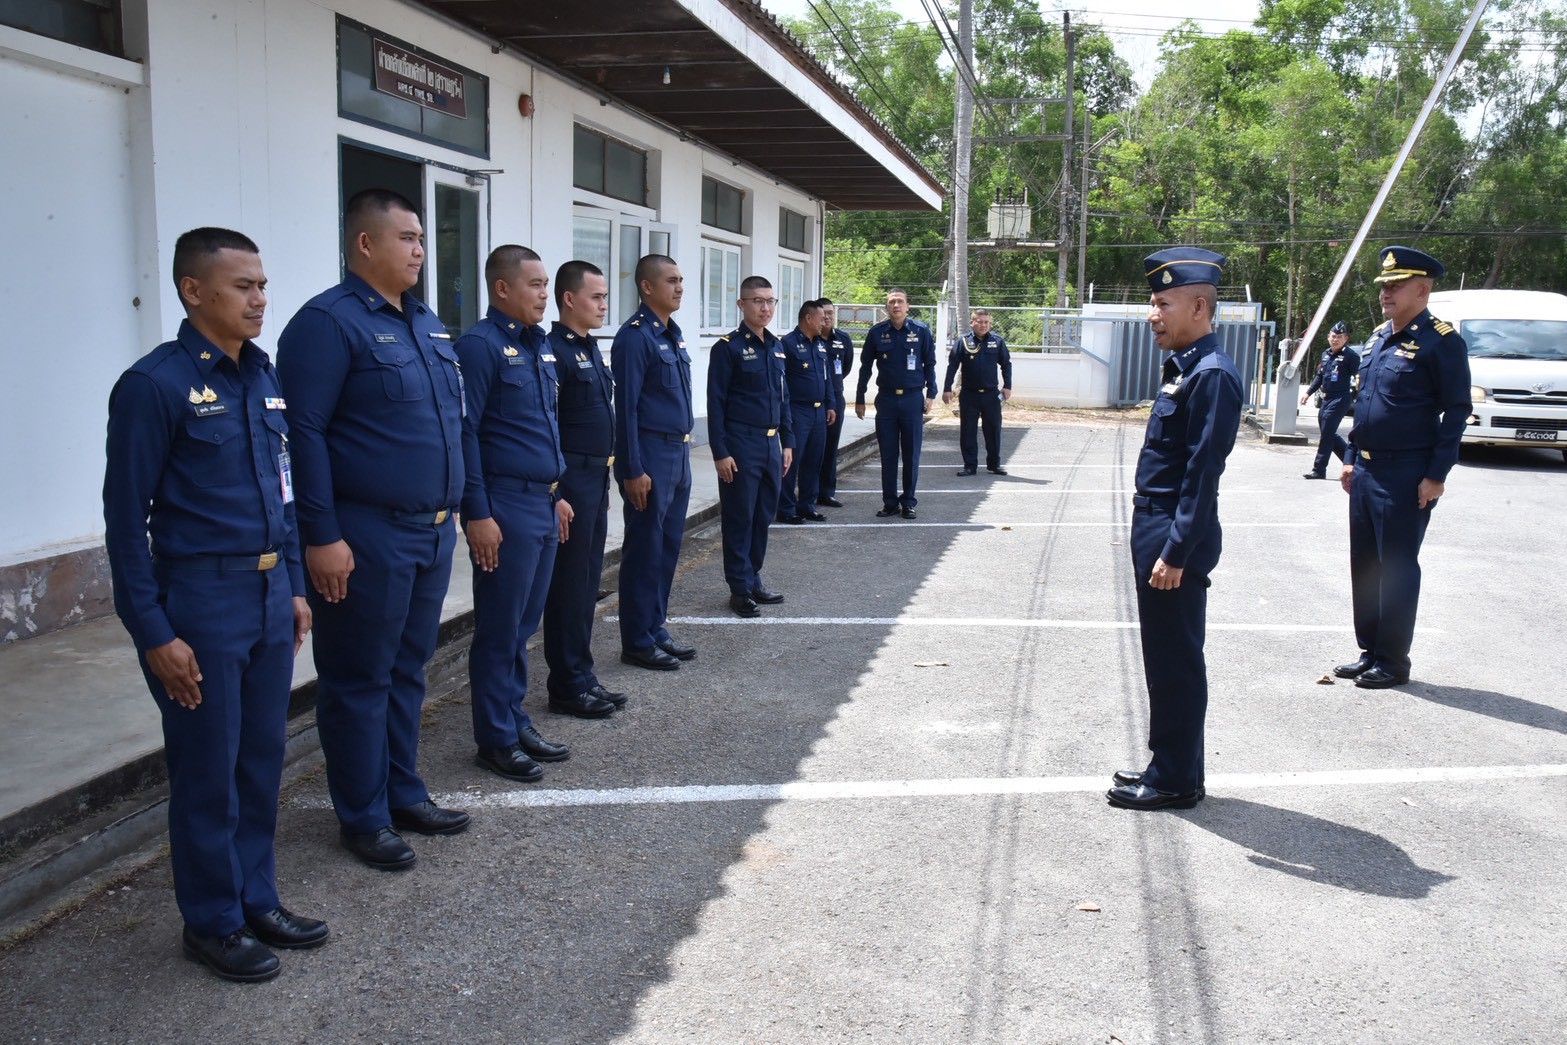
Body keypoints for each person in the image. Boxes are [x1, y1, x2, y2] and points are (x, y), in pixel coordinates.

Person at [104, 227, 326, 983]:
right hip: (200, 600)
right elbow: (124, 524)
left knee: (259, 761)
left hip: (266, 595)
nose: (260, 299)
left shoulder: (263, 377)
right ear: (193, 290)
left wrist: (292, 586)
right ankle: (213, 922)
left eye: (263, 285)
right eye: (243, 286)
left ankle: (256, 899)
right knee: (208, 770)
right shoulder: (154, 386)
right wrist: (153, 631)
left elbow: (283, 494)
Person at [276, 189, 470, 872]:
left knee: (407, 669)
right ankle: (362, 816)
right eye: (407, 238)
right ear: (366, 244)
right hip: (366, 534)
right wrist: (320, 534)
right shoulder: (327, 324)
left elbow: (453, 425)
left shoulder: (427, 323)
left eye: (421, 238)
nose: (420, 250)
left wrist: (464, 507)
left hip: (430, 531)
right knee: (359, 678)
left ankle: (402, 791)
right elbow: (302, 434)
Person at [1107, 247, 1243, 812]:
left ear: (1199, 307)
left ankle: (1175, 781)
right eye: (1153, 303)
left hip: (1172, 532)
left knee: (1176, 660)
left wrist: (1176, 550)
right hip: (1157, 524)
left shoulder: (1211, 376)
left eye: (1163, 304)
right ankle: (1172, 765)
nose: (1152, 314)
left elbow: (1202, 474)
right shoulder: (1185, 369)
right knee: (1165, 657)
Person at [456, 246, 595, 788]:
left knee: (523, 625)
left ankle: (514, 720)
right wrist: (477, 512)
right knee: (500, 626)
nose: (544, 294)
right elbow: (466, 433)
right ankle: (495, 738)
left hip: (540, 500)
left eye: (544, 284)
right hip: (504, 505)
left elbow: (541, 427)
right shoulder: (480, 347)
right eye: (534, 285)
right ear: (502, 289)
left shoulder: (538, 346)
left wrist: (555, 492)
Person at [1335, 246, 1471, 689]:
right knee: (1365, 565)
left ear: (1423, 290)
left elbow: (1457, 411)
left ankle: (1393, 661)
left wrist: (1436, 475)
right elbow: (1365, 404)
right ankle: (1370, 651)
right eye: (1384, 286)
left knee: (1396, 567)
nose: (1386, 293)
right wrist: (1350, 459)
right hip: (1366, 471)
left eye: (1396, 286)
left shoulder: (1442, 342)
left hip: (1406, 474)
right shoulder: (1378, 338)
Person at [543, 261, 628, 716]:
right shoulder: (553, 350)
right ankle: (567, 685)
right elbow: (548, 425)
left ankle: (582, 674)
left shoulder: (591, 348)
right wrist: (555, 491)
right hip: (571, 479)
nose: (603, 305)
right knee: (569, 586)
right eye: (596, 297)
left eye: (605, 296)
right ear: (569, 299)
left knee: (587, 582)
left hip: (596, 478)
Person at [613, 254, 697, 671]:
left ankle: (655, 626)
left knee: (666, 547)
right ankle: (637, 639)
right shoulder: (635, 337)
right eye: (671, 281)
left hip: (678, 453)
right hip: (650, 455)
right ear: (647, 287)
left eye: (681, 280)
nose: (679, 287)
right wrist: (632, 468)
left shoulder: (672, 334)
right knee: (644, 550)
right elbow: (626, 408)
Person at [709, 277, 794, 617]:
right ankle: (739, 588)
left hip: (771, 443)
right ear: (741, 304)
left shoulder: (776, 346)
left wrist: (788, 442)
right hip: (741, 444)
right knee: (739, 516)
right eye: (757, 301)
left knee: (763, 515)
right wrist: (720, 451)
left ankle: (753, 576)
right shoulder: (727, 348)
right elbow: (715, 403)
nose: (765, 307)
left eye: (770, 301)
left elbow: (783, 399)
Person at [854, 289, 937, 519]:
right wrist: (860, 397)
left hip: (912, 399)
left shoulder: (921, 331)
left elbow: (930, 363)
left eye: (900, 301)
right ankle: (890, 503)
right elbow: (865, 367)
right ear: (886, 307)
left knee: (911, 454)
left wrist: (931, 393)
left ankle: (908, 502)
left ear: (908, 306)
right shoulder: (877, 332)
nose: (896, 305)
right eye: (892, 302)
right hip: (887, 400)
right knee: (888, 454)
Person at [778, 299, 834, 523]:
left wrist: (830, 404)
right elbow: (781, 382)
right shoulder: (788, 344)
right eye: (821, 318)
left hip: (819, 412)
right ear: (808, 318)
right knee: (792, 462)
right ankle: (786, 509)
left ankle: (807, 506)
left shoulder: (820, 344)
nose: (825, 321)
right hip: (798, 411)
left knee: (814, 460)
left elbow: (827, 377)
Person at [943, 308, 1013, 476]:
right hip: (969, 395)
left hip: (991, 395)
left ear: (990, 324)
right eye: (979, 322)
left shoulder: (997, 341)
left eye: (986, 322)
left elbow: (1006, 364)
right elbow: (952, 366)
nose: (983, 325)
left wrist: (1007, 386)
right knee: (968, 431)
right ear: (972, 322)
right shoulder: (963, 342)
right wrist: (947, 389)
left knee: (993, 430)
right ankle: (970, 466)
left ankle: (994, 465)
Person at [1300, 320, 1361, 479]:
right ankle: (1353, 463)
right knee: (1328, 434)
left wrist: (1361, 397)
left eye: (1339, 337)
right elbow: (1320, 376)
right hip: (1326, 399)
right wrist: (1308, 393)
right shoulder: (1326, 354)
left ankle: (1319, 469)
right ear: (1328, 337)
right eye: (1333, 336)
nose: (1335, 339)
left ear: (1346, 338)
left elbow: (1360, 377)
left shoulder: (1351, 356)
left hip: (1340, 399)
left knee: (1327, 434)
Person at [816, 298, 855, 507]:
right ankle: (809, 492)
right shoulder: (810, 338)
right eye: (823, 313)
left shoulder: (843, 339)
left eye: (830, 313)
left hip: (836, 399)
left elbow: (846, 368)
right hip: (814, 400)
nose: (827, 317)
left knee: (831, 447)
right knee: (813, 448)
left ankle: (826, 492)